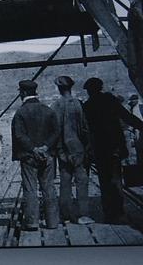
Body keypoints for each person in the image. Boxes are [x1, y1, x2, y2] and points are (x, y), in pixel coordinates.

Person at [82, 77, 143, 223]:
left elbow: (86, 130)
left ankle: (109, 213)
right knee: (116, 179)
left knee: (104, 181)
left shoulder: (87, 105)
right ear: (101, 87)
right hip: (114, 146)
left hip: (99, 148)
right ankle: (119, 212)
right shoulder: (110, 100)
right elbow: (127, 117)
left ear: (89, 91)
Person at [10, 78, 62, 230]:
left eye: (20, 92)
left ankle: (32, 222)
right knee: (49, 188)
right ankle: (52, 222)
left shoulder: (20, 113)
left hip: (29, 158)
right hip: (48, 156)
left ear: (23, 92)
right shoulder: (48, 110)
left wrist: (33, 149)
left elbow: (19, 135)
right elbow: (56, 132)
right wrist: (45, 148)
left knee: (30, 189)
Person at [49, 74, 93, 224]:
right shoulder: (79, 104)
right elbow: (86, 129)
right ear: (71, 87)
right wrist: (87, 146)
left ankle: (66, 216)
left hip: (62, 150)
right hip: (79, 149)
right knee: (82, 182)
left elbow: (53, 130)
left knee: (65, 183)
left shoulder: (55, 106)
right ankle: (83, 215)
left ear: (59, 88)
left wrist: (57, 149)